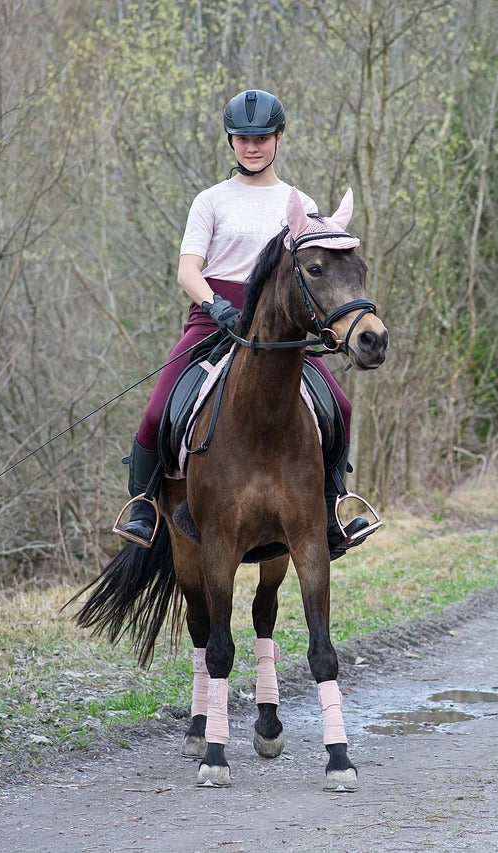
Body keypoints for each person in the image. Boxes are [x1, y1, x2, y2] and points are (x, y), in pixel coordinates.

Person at [117, 88, 374, 559]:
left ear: (278, 138)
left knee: (342, 407)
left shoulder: (300, 203)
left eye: (261, 138)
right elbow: (187, 269)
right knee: (156, 412)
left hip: (280, 331)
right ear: (231, 141)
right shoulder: (210, 201)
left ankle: (333, 505)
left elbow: (316, 273)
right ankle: (144, 507)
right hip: (213, 319)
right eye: (242, 138)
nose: (252, 147)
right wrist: (216, 305)